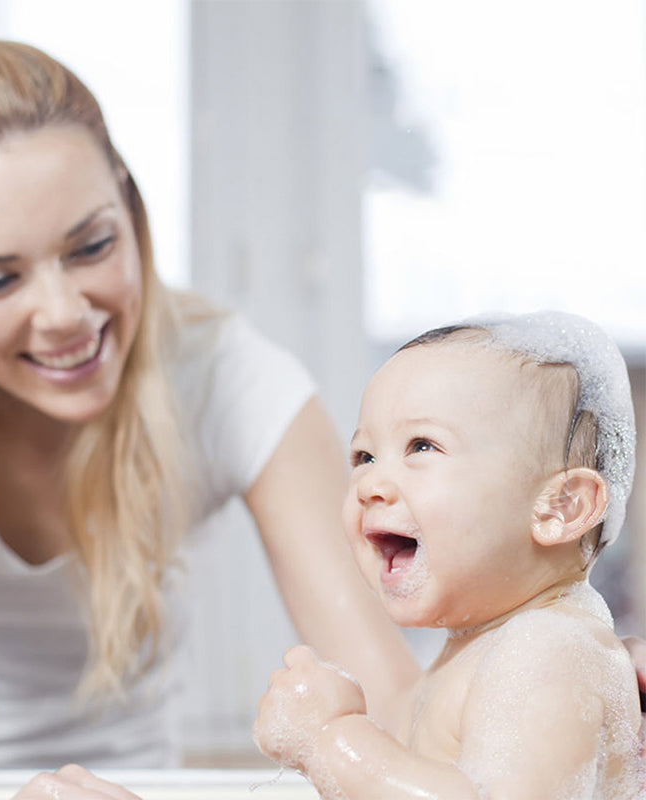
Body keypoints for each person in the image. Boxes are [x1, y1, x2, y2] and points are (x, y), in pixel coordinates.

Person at [0, 35, 421, 799]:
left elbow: (391, 704)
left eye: (91, 245)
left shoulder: (226, 378)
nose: (64, 313)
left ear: (129, 204)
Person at [253, 311, 644, 799]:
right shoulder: (477, 650)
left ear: (560, 508)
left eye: (422, 446)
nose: (370, 484)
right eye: (364, 456)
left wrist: (329, 741)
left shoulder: (548, 649)